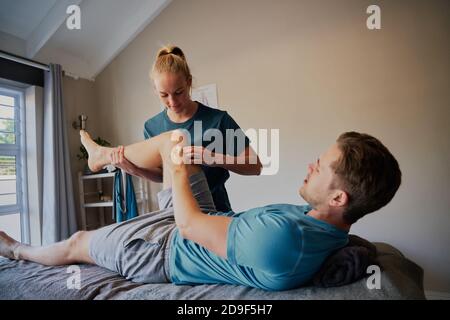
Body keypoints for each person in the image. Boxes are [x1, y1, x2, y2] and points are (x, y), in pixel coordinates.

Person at [0, 130, 401, 291]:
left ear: (339, 199)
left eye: (322, 166)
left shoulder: (283, 241)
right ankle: (108, 157)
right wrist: (188, 162)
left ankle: (15, 251)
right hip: (210, 225)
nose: (311, 165)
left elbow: (190, 225)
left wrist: (176, 167)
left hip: (163, 249)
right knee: (176, 142)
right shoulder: (324, 225)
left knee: (77, 243)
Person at [111, 45, 262, 212]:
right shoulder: (151, 127)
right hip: (177, 214)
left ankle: (100, 155)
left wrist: (213, 157)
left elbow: (255, 166)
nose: (172, 102)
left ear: (189, 82)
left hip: (217, 213)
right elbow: (163, 174)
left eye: (178, 92)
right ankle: (101, 155)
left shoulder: (218, 120)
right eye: (164, 95)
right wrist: (135, 170)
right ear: (155, 90)